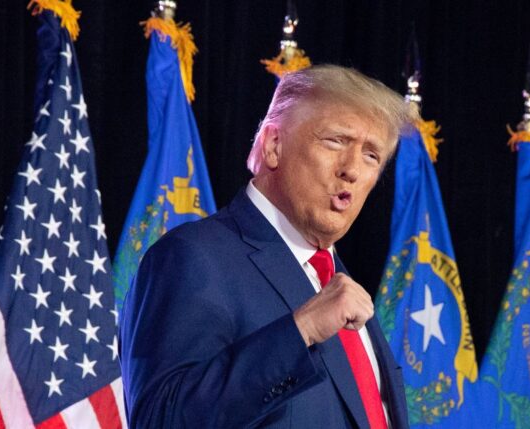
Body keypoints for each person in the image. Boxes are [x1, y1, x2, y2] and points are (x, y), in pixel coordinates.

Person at [120, 65, 413, 428]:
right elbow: (159, 420)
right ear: (274, 146)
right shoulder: (193, 257)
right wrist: (301, 330)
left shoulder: (338, 283)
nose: (352, 168)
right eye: (336, 140)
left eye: (372, 155)